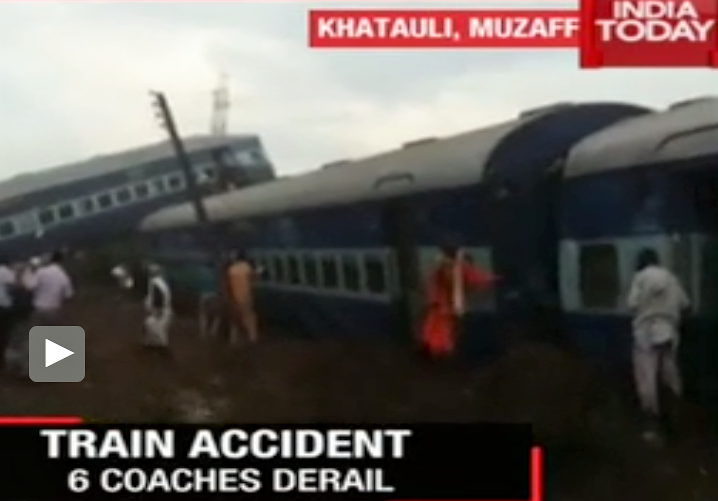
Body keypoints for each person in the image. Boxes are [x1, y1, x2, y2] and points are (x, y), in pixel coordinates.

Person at [627, 248, 690, 442]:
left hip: (645, 333)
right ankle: (676, 421)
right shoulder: (671, 278)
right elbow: (685, 304)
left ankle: (652, 427)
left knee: (647, 379)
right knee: (670, 375)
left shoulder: (640, 278)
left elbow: (632, 304)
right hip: (668, 331)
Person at [420, 241, 497, 359]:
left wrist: (492, 280)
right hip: (443, 306)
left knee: (450, 329)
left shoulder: (460, 267)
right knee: (439, 330)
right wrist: (435, 299)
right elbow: (435, 284)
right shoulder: (442, 268)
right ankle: (441, 351)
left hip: (453, 306)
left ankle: (447, 351)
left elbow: (475, 278)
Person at [225, 250, 259, 344]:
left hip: (235, 295)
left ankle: (234, 338)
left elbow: (229, 283)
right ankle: (252, 336)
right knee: (249, 315)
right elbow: (253, 277)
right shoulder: (246, 267)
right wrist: (258, 271)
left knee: (236, 316)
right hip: (246, 294)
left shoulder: (231, 269)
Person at [32, 250, 74, 325]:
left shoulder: (40, 271)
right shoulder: (63, 276)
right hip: (54, 308)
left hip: (39, 307)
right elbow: (68, 295)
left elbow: (32, 286)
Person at [143, 263, 172, 348]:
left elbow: (159, 296)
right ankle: (153, 343)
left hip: (160, 309)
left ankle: (160, 347)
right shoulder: (159, 282)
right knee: (153, 326)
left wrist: (158, 309)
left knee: (154, 326)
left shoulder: (156, 282)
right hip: (162, 309)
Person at [0, 257, 16, 368]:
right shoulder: (7, 272)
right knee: (4, 332)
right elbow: (12, 288)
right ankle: (2, 359)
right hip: (4, 305)